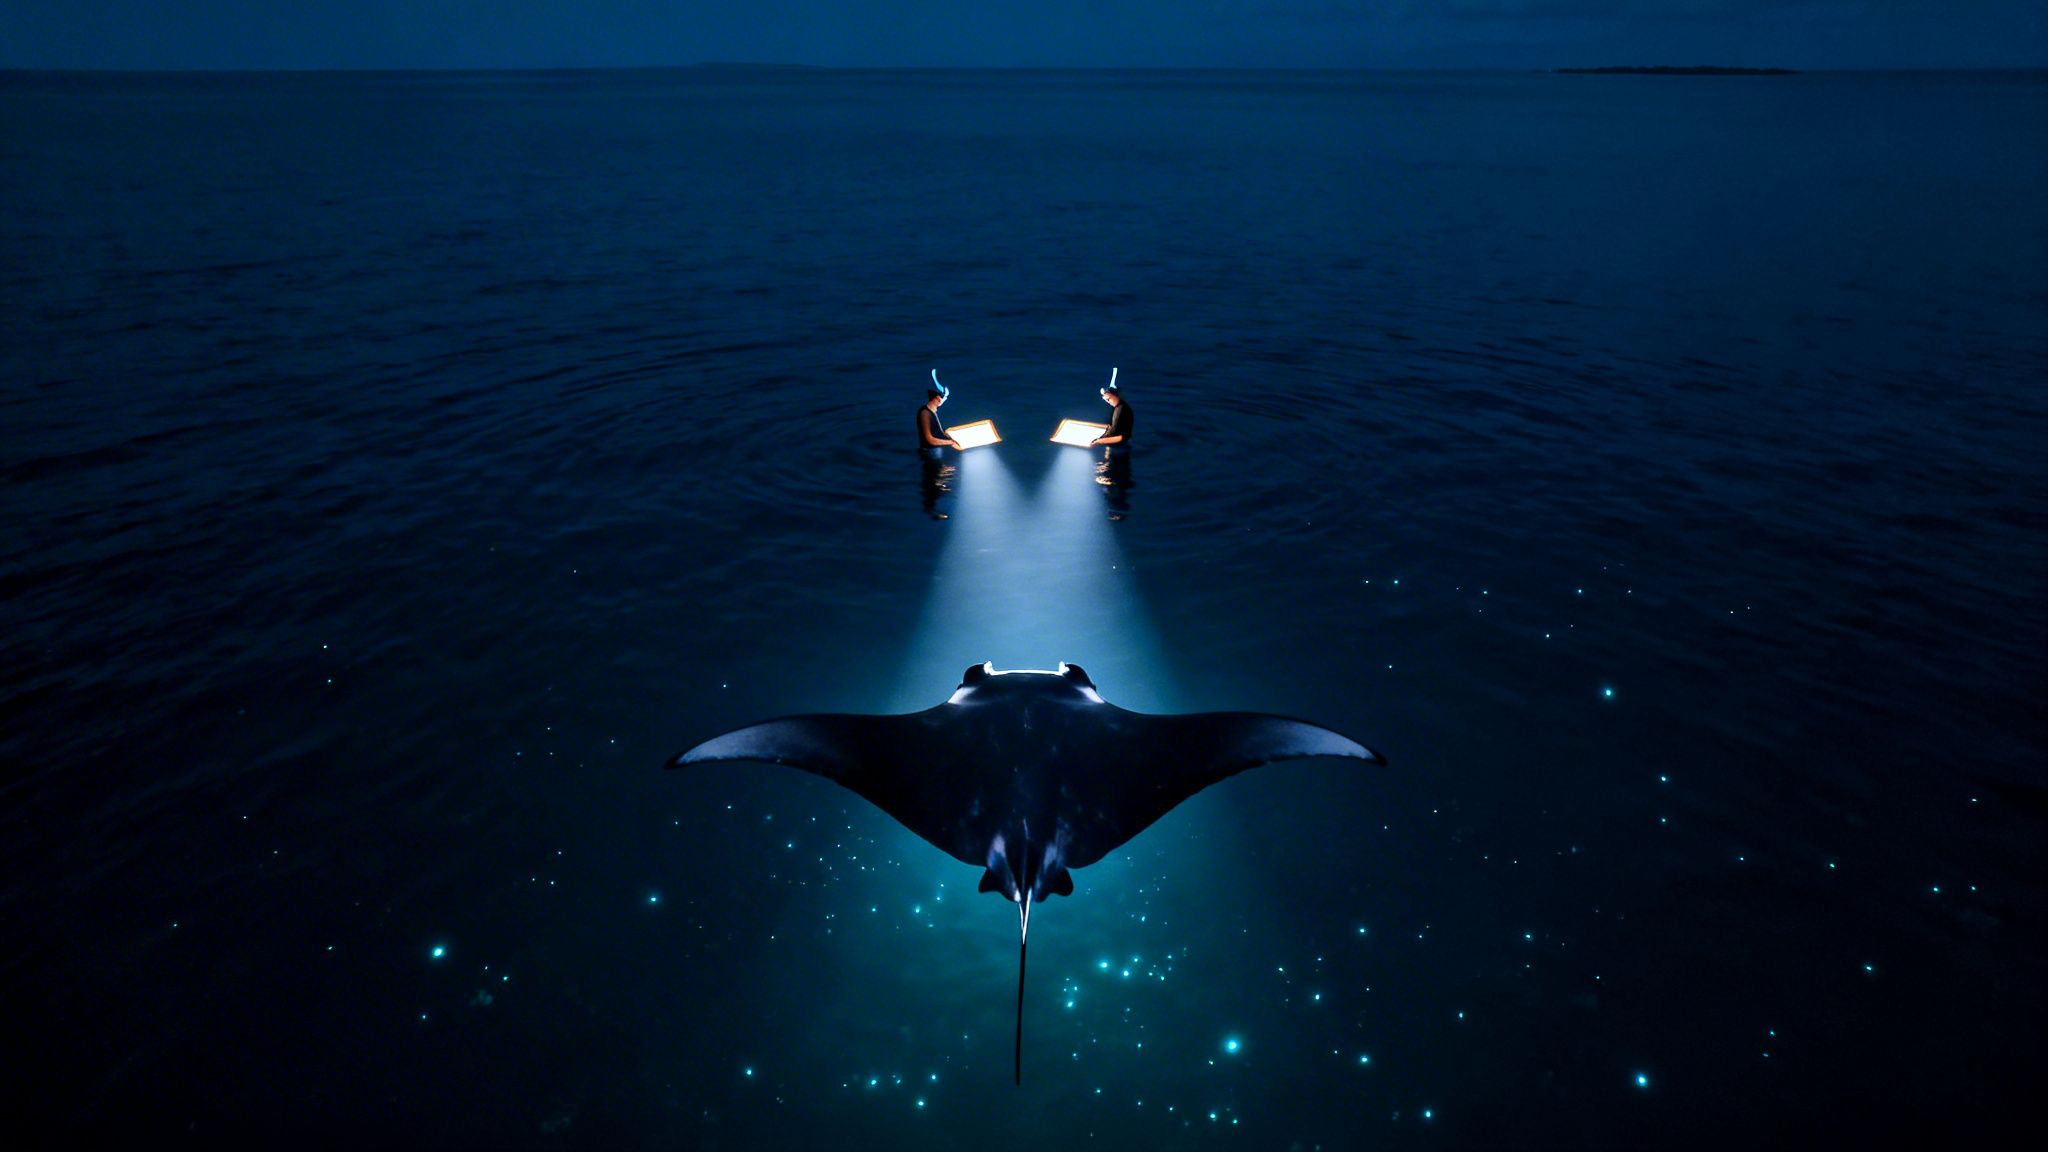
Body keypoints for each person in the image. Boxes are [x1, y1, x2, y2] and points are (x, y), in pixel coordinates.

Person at [918, 372, 962, 462]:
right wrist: (950, 442)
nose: (944, 400)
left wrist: (948, 435)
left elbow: (936, 432)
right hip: (931, 453)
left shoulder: (933, 411)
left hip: (937, 451)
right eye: (944, 398)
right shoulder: (925, 413)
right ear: (938, 398)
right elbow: (929, 439)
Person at [1089, 376, 1133, 452]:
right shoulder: (1117, 407)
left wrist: (1099, 441)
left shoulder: (1121, 411)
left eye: (1108, 399)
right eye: (1106, 400)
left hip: (1119, 450)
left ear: (1116, 395)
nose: (1108, 402)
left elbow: (1122, 437)